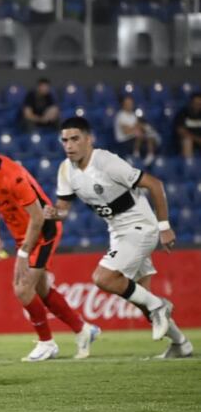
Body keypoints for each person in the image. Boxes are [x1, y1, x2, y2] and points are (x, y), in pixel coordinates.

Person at [44, 117, 192, 359]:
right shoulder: (66, 170)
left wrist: (164, 226)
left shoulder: (107, 163)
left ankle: (159, 305)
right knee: (140, 301)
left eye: (75, 139)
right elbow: (63, 209)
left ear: (88, 139)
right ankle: (181, 344)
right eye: (64, 140)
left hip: (140, 226)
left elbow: (155, 184)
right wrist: (54, 213)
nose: (69, 145)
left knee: (103, 278)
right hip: (117, 233)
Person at [0, 126, 99, 361]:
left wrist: (24, 254)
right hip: (23, 234)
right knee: (42, 290)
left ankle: (47, 342)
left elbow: (38, 217)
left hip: (44, 231)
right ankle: (83, 330)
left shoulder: (13, 176)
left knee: (22, 288)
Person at [114, 94, 159, 165]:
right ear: (123, 104)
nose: (130, 105)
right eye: (128, 103)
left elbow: (138, 126)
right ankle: (136, 155)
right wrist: (136, 129)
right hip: (124, 141)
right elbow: (126, 131)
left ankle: (149, 157)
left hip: (134, 138)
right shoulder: (120, 115)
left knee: (151, 137)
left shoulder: (133, 114)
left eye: (131, 103)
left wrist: (139, 128)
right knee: (141, 137)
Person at [175, 92, 201, 162]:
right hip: (187, 142)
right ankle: (188, 166)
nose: (197, 105)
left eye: (199, 104)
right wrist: (197, 139)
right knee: (187, 140)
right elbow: (181, 131)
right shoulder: (183, 113)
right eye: (195, 103)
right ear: (191, 103)